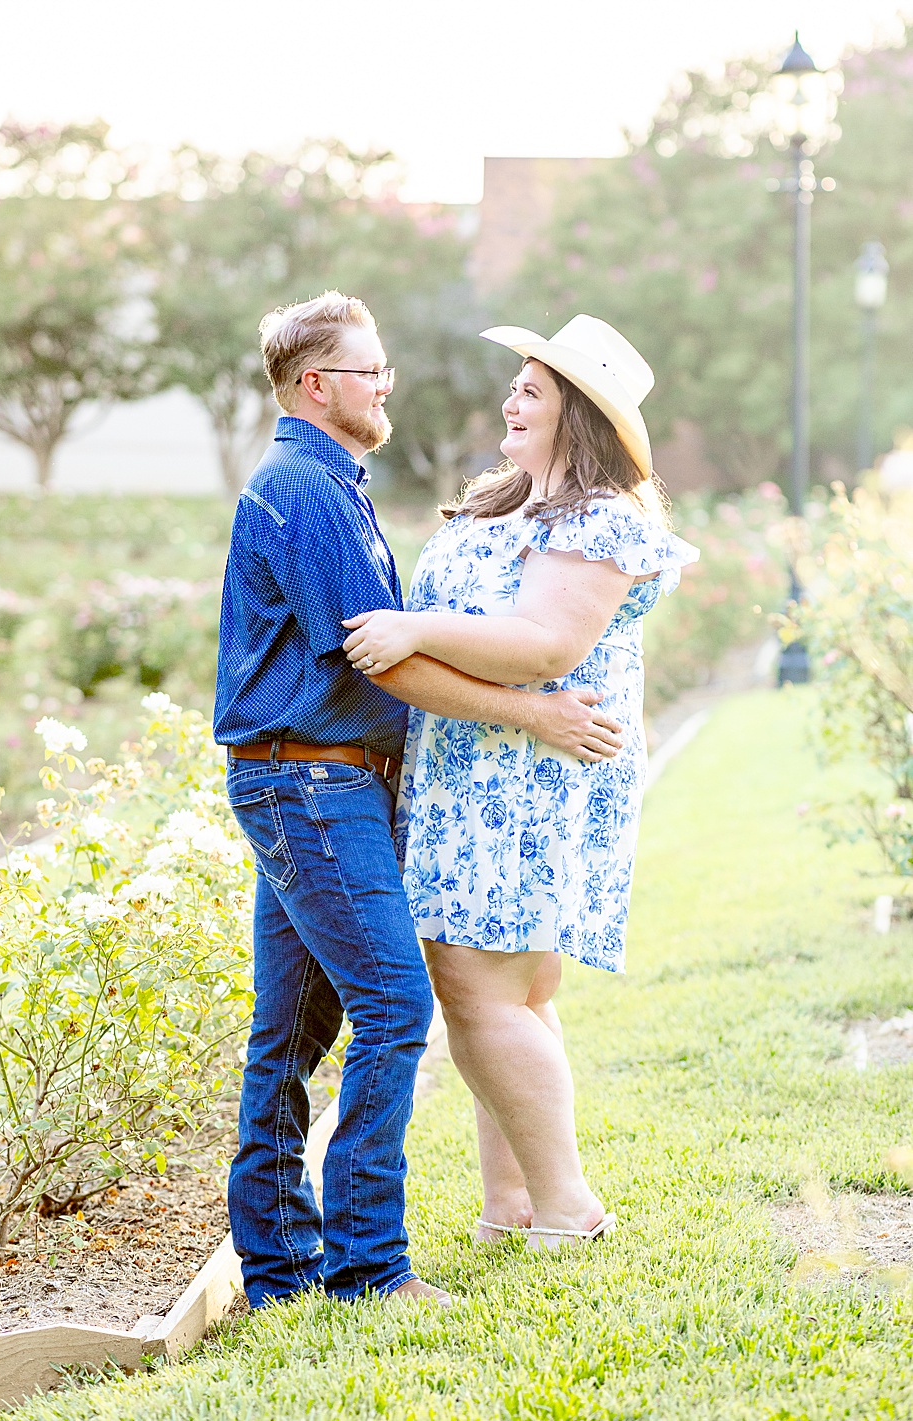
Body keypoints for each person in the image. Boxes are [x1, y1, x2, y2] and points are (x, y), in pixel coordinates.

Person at [217, 293, 627, 1307]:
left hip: (309, 776)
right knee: (394, 1004)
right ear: (319, 385)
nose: (386, 383)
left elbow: (393, 647)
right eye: (372, 369)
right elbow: (378, 659)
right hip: (310, 778)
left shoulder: (325, 482)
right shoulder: (305, 490)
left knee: (291, 1029)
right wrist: (529, 715)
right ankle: (369, 1268)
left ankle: (276, 1269)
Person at [340, 315, 698, 1249]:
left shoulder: (601, 516)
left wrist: (412, 631)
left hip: (527, 780)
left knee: (479, 990)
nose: (511, 399)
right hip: (475, 770)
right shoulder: (511, 501)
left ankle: (568, 1207)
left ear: (575, 415)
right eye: (517, 384)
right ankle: (513, 1207)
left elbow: (549, 644)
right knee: (514, 996)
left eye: (531, 390)